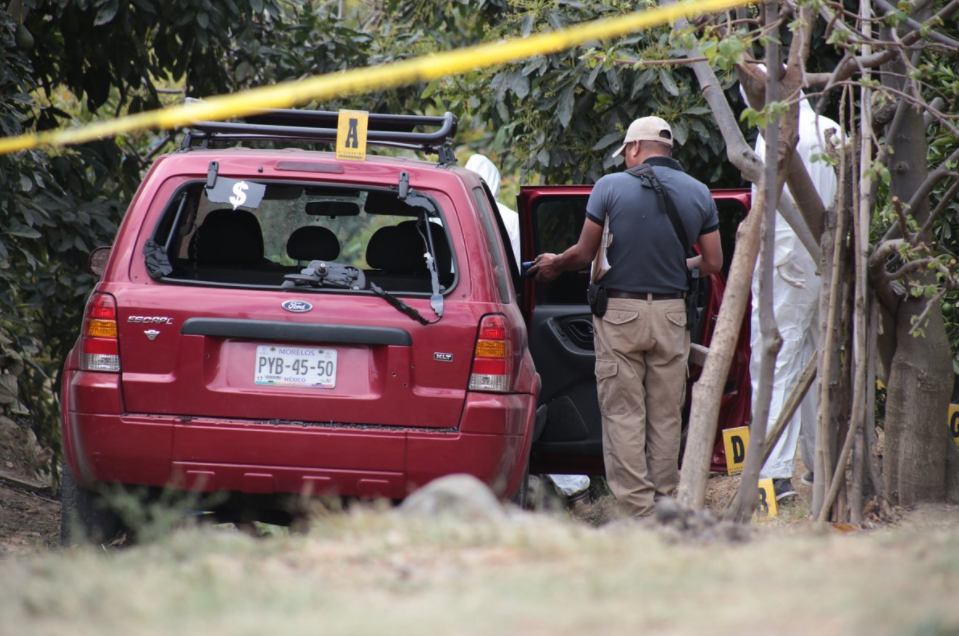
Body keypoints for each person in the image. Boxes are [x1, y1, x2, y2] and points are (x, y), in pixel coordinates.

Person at [529, 117, 723, 518]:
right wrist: (674, 265)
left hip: (620, 315)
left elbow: (583, 254)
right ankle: (667, 501)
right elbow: (712, 261)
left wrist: (554, 264)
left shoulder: (610, 187)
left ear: (634, 147)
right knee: (667, 414)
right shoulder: (699, 192)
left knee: (623, 413)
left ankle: (638, 511)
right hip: (672, 316)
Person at [466, 153, 593, 506]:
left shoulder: (444, 218)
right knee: (529, 398)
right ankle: (574, 489)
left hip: (473, 326)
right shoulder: (511, 220)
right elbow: (533, 271)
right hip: (511, 320)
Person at [745, 88, 839, 501]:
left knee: (776, 362)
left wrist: (778, 255)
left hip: (784, 263)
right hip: (829, 258)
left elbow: (764, 207)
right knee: (821, 362)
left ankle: (774, 472)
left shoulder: (772, 134)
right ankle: (822, 464)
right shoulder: (834, 130)